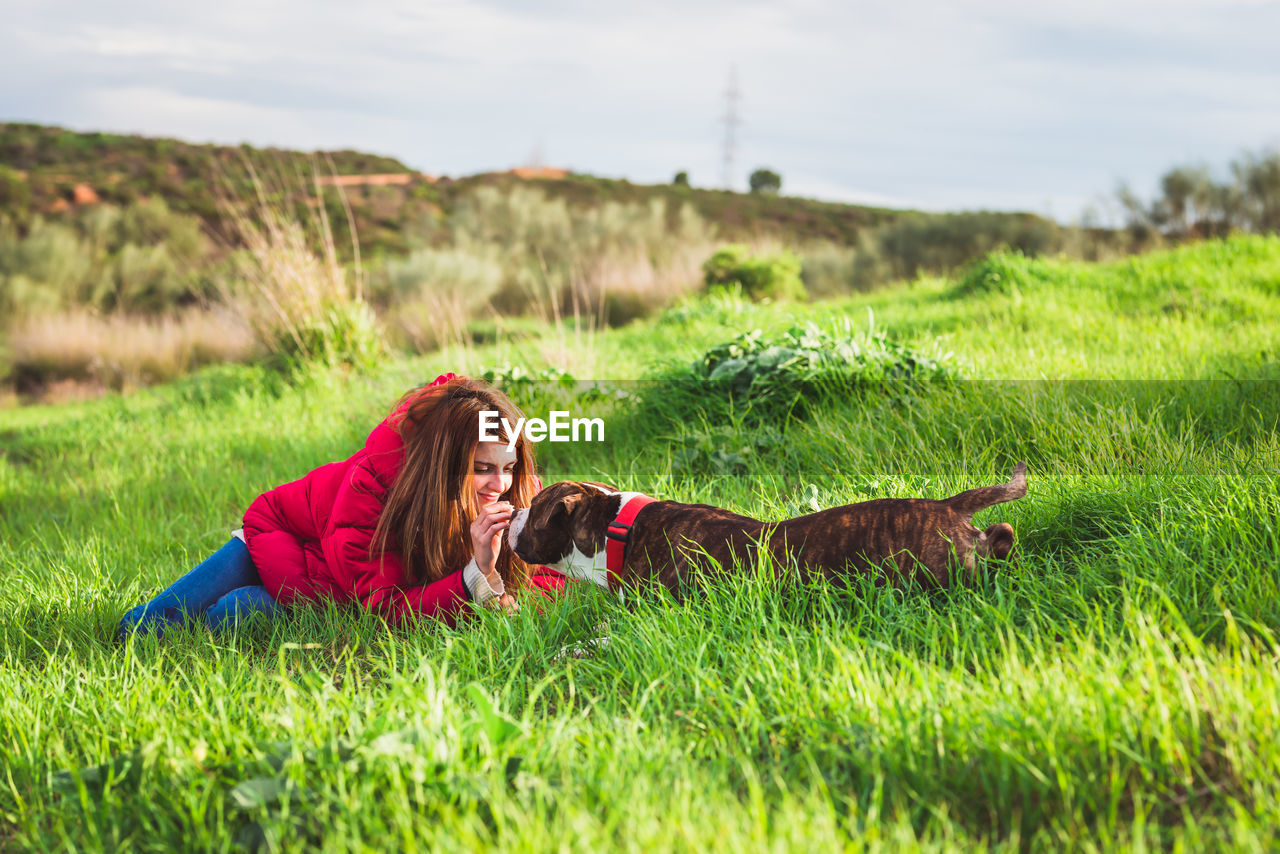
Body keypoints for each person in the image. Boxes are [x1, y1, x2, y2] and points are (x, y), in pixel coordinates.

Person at [117, 373, 565, 638]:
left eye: (509, 467)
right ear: (444, 462)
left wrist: (504, 592)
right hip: (282, 540)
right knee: (143, 629)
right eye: (483, 467)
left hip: (331, 585)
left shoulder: (514, 493)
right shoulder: (374, 487)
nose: (499, 485)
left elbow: (548, 573)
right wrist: (473, 580)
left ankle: (243, 608)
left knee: (241, 612)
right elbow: (385, 606)